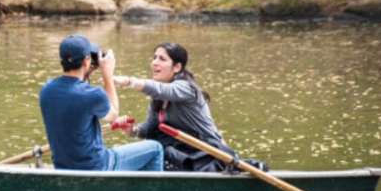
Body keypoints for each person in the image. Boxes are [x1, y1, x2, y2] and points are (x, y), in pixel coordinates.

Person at [112, 42, 267, 172]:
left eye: (162, 59)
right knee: (156, 147)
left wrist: (127, 81)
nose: (154, 62)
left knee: (163, 150)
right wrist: (133, 130)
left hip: (205, 153)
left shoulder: (186, 89)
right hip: (179, 152)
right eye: (154, 58)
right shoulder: (157, 99)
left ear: (177, 67)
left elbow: (162, 89)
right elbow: (150, 127)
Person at [39, 34, 164, 171]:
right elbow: (112, 114)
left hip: (62, 166)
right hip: (97, 166)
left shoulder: (47, 89)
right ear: (86, 60)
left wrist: (86, 71)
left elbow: (75, 93)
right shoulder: (92, 94)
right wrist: (107, 75)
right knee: (155, 148)